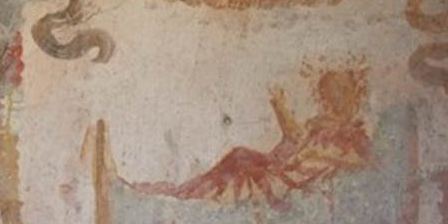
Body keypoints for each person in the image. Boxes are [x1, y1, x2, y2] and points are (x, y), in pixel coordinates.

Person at [134, 68, 373, 209]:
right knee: (240, 155)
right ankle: (182, 192)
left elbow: (310, 156)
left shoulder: (353, 134)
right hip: (289, 169)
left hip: (293, 181)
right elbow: (292, 147)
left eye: (341, 90)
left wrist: (281, 108)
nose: (333, 99)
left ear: (355, 93)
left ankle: (187, 200)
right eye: (328, 94)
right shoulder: (321, 125)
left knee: (245, 172)